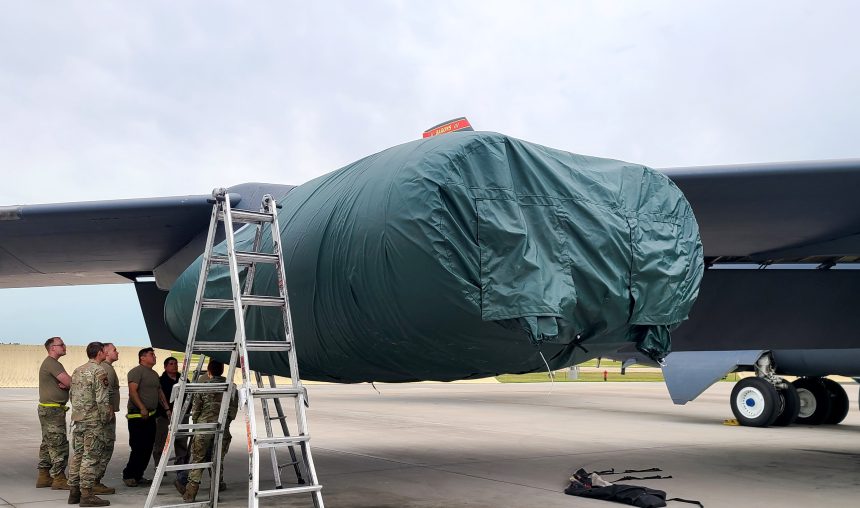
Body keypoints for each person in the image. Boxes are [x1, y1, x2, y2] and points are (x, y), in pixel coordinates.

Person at [182, 360, 238, 503]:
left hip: (203, 429)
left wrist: (198, 424)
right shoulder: (231, 387)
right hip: (222, 429)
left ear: (209, 371)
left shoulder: (202, 387)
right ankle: (215, 492)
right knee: (217, 460)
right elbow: (232, 411)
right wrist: (225, 423)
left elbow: (196, 410)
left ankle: (190, 493)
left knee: (198, 460)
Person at [67, 341, 112, 507]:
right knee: (90, 456)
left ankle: (74, 493)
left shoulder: (78, 370)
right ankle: (87, 495)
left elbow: (72, 395)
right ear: (100, 352)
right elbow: (101, 399)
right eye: (104, 351)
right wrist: (104, 418)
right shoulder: (99, 370)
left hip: (78, 419)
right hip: (93, 421)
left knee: (78, 455)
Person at [122, 347, 170, 487]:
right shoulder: (136, 372)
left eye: (154, 355)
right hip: (138, 415)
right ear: (142, 357)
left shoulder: (154, 374)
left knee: (148, 447)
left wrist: (167, 408)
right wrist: (142, 407)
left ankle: (138, 475)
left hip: (151, 416)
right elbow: (132, 391)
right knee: (138, 447)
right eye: (151, 355)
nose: (154, 357)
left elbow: (159, 392)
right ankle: (129, 475)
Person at [37, 336, 72, 490]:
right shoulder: (52, 364)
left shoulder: (52, 363)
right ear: (52, 348)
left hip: (49, 409)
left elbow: (66, 383)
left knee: (48, 442)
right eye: (61, 344)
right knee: (58, 444)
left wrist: (66, 386)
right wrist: (69, 385)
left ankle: (44, 476)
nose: (64, 346)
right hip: (52, 410)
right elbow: (70, 382)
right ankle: (58, 478)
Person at [91, 342, 120, 495]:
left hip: (104, 414)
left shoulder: (106, 368)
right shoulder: (106, 369)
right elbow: (104, 394)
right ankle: (95, 481)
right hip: (106, 416)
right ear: (106, 353)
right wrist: (109, 412)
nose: (117, 352)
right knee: (105, 448)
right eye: (114, 350)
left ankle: (92, 481)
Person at [153, 356, 189, 471]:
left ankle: (181, 466)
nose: (174, 366)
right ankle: (159, 466)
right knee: (161, 442)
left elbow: (189, 396)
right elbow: (158, 397)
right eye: (171, 364)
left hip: (181, 415)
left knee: (181, 441)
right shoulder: (160, 381)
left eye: (176, 363)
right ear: (165, 366)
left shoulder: (183, 380)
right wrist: (167, 410)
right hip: (164, 416)